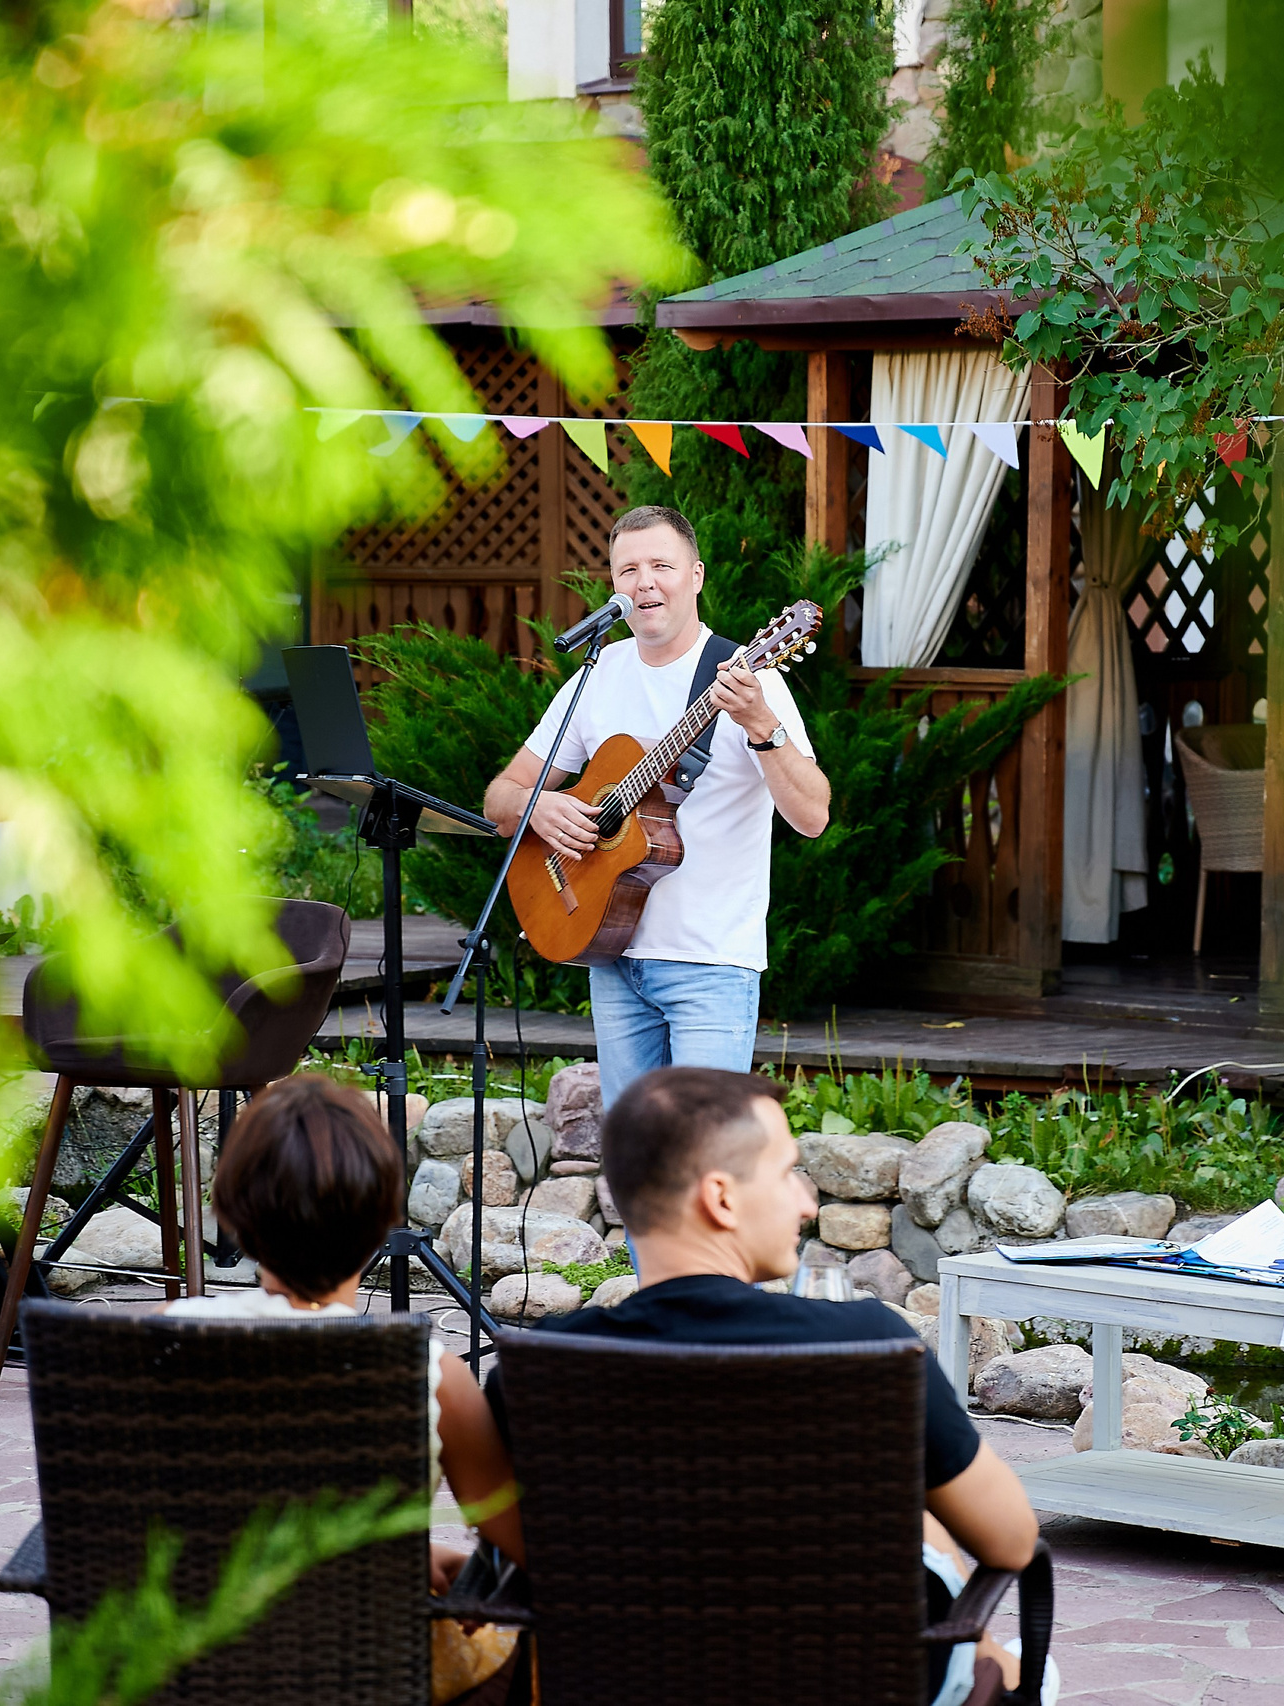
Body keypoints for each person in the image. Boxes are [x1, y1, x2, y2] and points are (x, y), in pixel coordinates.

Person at [532, 1066, 1053, 1706]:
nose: (807, 1202)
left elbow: (524, 1554)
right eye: (786, 1173)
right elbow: (1011, 1540)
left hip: (627, 1682)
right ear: (722, 1198)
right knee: (1030, 1668)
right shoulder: (866, 1346)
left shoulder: (549, 1358)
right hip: (865, 1683)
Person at [483, 506, 830, 1108]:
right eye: (628, 570)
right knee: (630, 1159)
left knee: (703, 1157)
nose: (644, 582)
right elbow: (500, 798)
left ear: (695, 576)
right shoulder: (597, 674)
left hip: (710, 962)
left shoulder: (751, 680)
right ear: (614, 587)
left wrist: (760, 726)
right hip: (611, 954)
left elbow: (813, 815)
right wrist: (539, 807)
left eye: (661, 566)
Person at [163, 1075, 524, 1589]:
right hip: (368, 1662)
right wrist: (391, 1556)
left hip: (180, 1662)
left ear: (230, 1213)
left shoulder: (159, 1341)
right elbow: (525, 1547)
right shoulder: (431, 1375)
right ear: (384, 1222)